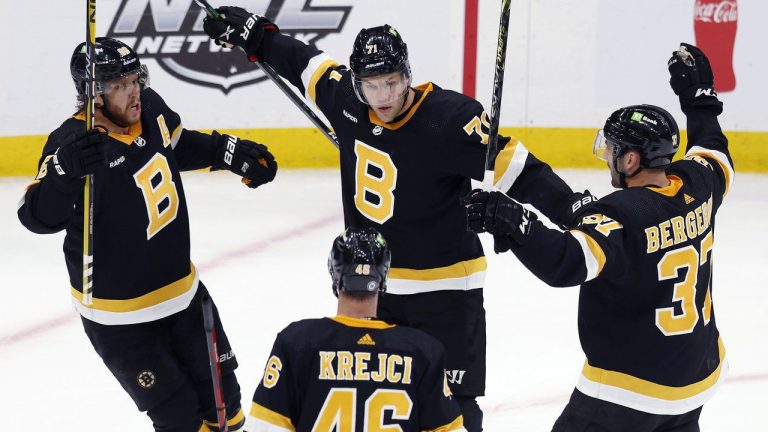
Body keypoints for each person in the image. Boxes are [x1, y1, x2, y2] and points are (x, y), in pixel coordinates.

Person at [203, 9, 591, 429]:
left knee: (453, 409)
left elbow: (523, 172)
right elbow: (304, 63)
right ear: (357, 84)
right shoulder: (346, 101)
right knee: (377, 400)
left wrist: (573, 209)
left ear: (408, 75)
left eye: (392, 81)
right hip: (372, 286)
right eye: (371, 85)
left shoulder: (451, 119)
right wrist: (256, 36)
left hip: (446, 290)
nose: (383, 95)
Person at [464, 43, 732, 431]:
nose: (607, 156)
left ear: (631, 160)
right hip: (697, 375)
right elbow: (713, 147)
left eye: (614, 150)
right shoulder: (700, 182)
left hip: (628, 390)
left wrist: (514, 221)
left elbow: (566, 262)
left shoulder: (621, 214)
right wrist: (699, 100)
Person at [17, 37, 278, 431]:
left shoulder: (151, 108)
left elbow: (178, 147)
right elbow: (35, 217)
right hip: (120, 320)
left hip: (184, 297)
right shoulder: (72, 144)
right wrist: (64, 173)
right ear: (94, 94)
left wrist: (227, 152)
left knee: (229, 412)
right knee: (181, 423)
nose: (133, 90)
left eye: (134, 78)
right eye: (119, 85)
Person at [246, 227, 466, 431]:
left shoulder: (296, 343)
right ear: (383, 277)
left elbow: (265, 427)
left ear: (334, 273)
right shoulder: (423, 352)